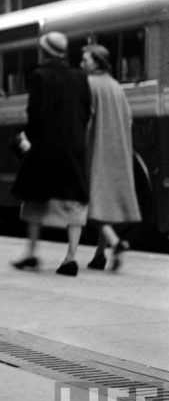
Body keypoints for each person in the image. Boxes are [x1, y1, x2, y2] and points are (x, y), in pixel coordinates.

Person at [12, 31, 91, 277]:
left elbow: (36, 115)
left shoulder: (39, 76)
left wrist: (29, 139)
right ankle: (71, 257)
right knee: (74, 201)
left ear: (44, 51)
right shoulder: (80, 76)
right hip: (73, 144)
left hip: (46, 145)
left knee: (35, 197)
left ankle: (32, 253)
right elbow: (86, 111)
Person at [81, 44, 141, 271]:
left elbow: (87, 119)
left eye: (85, 59)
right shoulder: (116, 85)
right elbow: (129, 117)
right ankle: (99, 254)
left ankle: (115, 242)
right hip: (117, 149)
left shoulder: (89, 84)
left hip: (95, 149)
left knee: (91, 202)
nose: (81, 63)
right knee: (104, 202)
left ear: (97, 62)